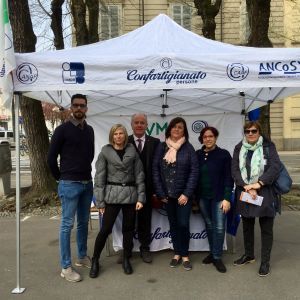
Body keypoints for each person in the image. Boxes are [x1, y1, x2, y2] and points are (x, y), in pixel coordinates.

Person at [47, 94, 94, 282]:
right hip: (69, 184)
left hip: (86, 183)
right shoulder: (62, 130)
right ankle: (66, 267)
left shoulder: (89, 130)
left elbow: (89, 155)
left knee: (83, 222)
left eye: (82, 106)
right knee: (67, 225)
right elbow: (51, 159)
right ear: (71, 107)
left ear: (86, 108)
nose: (79, 109)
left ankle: (82, 256)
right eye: (76, 105)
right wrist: (61, 179)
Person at [89, 124, 145, 278]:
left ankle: (126, 258)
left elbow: (140, 176)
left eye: (121, 133)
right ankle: (95, 260)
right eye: (116, 134)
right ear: (112, 136)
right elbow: (99, 179)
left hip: (130, 195)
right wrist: (100, 202)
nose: (119, 136)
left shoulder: (132, 152)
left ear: (125, 135)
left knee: (128, 228)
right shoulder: (105, 153)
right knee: (105, 229)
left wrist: (141, 198)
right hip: (112, 195)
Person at [232, 121, 281, 277]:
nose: (250, 133)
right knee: (247, 225)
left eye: (254, 131)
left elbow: (275, 167)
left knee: (266, 228)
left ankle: (265, 261)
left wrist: (258, 184)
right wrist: (246, 185)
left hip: (265, 191)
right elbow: (234, 169)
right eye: (247, 131)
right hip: (246, 191)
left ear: (259, 132)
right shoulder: (239, 147)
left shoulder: (268, 146)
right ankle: (249, 255)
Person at [152, 117, 199, 271]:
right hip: (167, 196)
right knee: (173, 224)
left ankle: (185, 254)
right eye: (174, 127)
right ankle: (177, 253)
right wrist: (160, 192)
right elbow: (156, 171)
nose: (177, 129)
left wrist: (186, 193)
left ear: (184, 130)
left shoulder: (188, 148)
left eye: (180, 127)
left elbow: (194, 171)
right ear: (169, 129)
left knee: (183, 224)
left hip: (183, 197)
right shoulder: (161, 147)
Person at [196, 126, 233, 273]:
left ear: (215, 137)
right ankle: (213, 252)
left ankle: (217, 257)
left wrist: (227, 198)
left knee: (218, 227)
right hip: (203, 197)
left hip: (219, 197)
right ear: (202, 139)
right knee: (210, 225)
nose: (208, 139)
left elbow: (228, 178)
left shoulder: (223, 155)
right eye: (205, 137)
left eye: (210, 136)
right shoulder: (197, 154)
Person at [128, 113, 160, 263]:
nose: (139, 125)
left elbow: (158, 167)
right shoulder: (125, 141)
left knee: (145, 220)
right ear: (132, 125)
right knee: (128, 220)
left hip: (147, 190)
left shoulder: (155, 142)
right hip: (127, 190)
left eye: (142, 123)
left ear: (147, 125)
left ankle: (145, 248)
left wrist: (155, 190)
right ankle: (126, 250)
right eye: (136, 122)